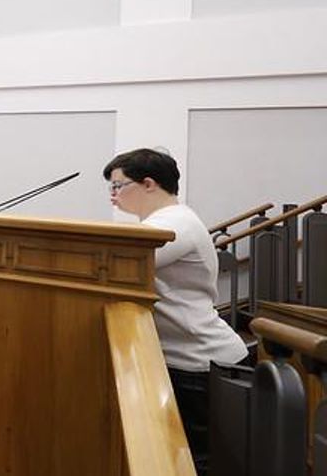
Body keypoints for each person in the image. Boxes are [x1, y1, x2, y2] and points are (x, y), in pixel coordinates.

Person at [103, 148, 247, 474]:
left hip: (200, 360)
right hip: (188, 357)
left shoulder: (173, 224)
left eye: (118, 185)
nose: (113, 194)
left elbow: (115, 263)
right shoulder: (163, 221)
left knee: (196, 460)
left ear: (149, 184)